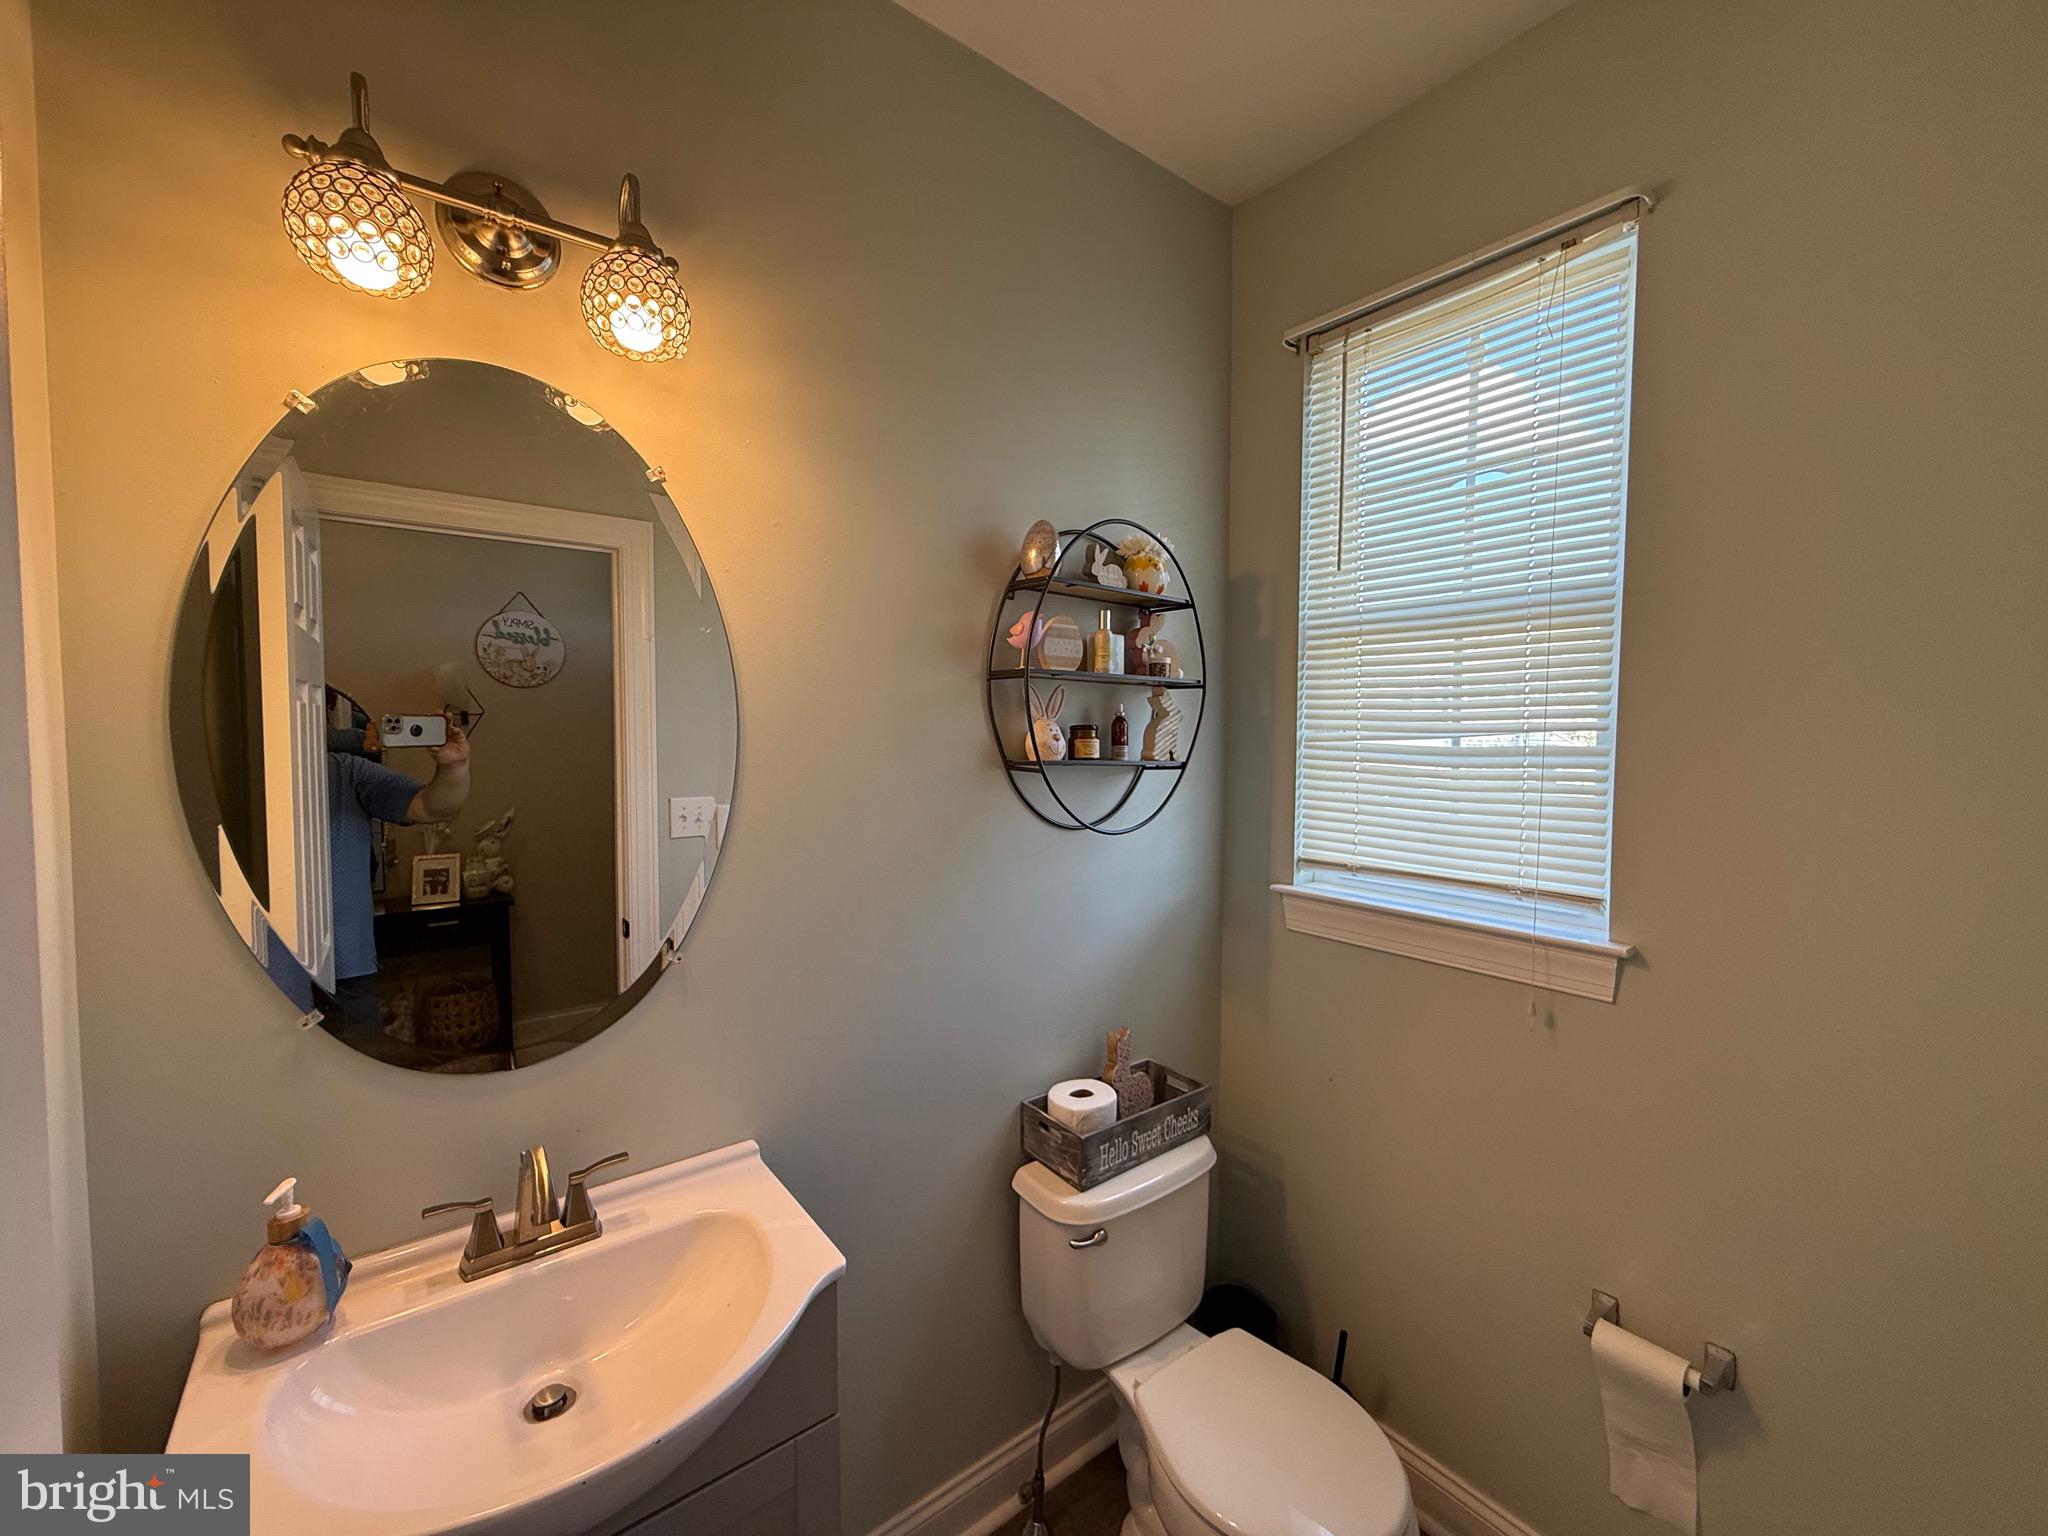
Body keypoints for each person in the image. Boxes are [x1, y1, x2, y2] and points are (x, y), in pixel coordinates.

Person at [327, 710, 472, 1034]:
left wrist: (454, 765)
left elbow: (435, 807)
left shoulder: (345, 771)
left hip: (349, 966)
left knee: (361, 1072)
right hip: (263, 967)